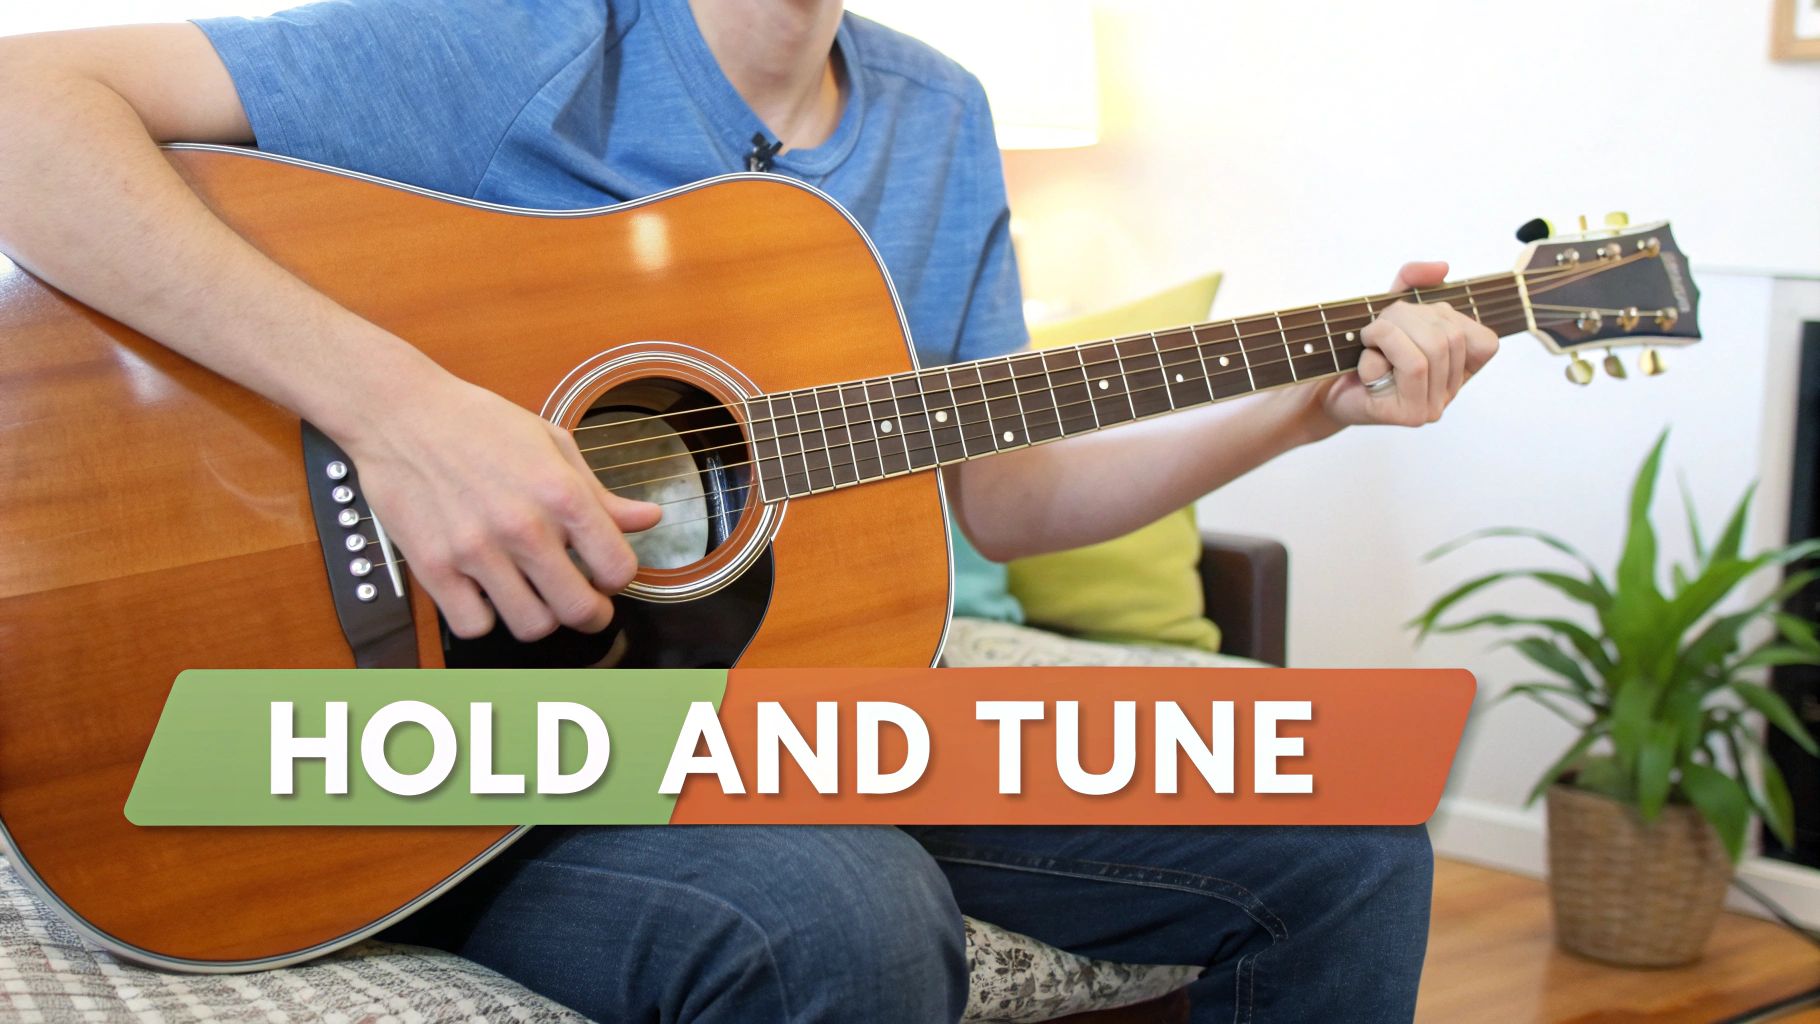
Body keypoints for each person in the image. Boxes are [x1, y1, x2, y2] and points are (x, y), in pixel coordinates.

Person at [0, 1, 1496, 1020]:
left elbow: (1004, 496)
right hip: (434, 737)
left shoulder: (937, 113)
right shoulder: (523, 39)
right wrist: (404, 418)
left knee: (1346, 824)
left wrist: (1309, 402)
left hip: (764, 717)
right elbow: (23, 108)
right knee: (840, 910)